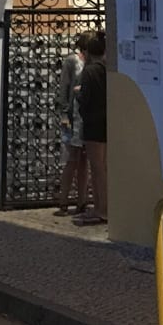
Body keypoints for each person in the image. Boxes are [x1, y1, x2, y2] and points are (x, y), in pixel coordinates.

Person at [72, 30, 109, 227]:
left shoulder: (90, 71)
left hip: (93, 124)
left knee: (96, 168)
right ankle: (106, 208)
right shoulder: (107, 69)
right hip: (107, 122)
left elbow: (85, 99)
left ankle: (100, 209)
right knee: (105, 167)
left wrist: (78, 94)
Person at [52, 44, 88, 216]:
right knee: (72, 159)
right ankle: (64, 201)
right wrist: (65, 115)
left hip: (85, 117)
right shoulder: (72, 61)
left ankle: (82, 200)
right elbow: (64, 88)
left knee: (83, 161)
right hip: (73, 117)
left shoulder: (92, 63)